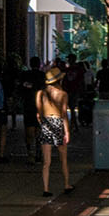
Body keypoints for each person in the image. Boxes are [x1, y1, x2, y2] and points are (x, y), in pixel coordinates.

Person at [37, 67, 74, 199]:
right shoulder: (63, 94)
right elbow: (64, 114)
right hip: (58, 123)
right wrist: (67, 131)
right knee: (63, 158)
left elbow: (39, 114)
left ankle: (46, 188)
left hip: (46, 124)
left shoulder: (41, 93)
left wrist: (43, 123)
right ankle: (66, 184)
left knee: (46, 161)